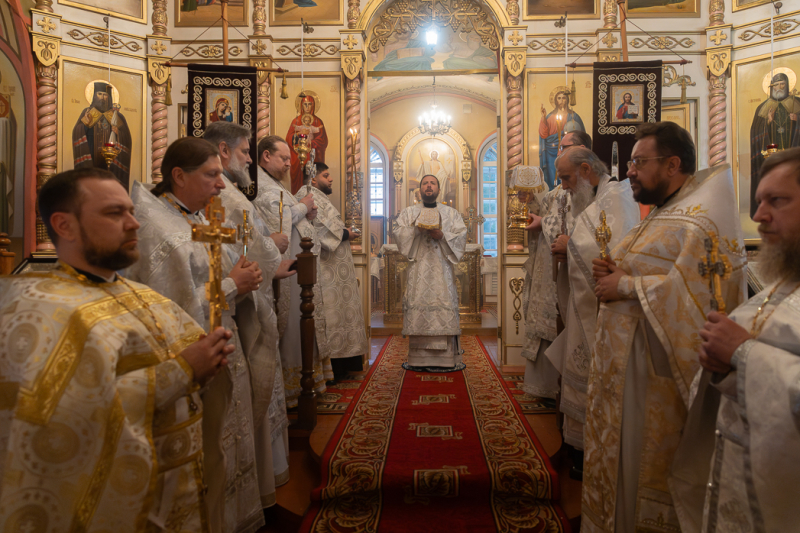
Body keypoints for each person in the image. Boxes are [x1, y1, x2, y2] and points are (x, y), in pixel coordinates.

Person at [0, 168, 234, 531]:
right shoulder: (37, 311)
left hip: (176, 496)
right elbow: (66, 421)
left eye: (131, 211)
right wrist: (183, 371)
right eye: (114, 213)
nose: (134, 223)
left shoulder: (144, 296)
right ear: (64, 225)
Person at [585, 122, 747, 532]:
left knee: (639, 466)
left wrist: (624, 284)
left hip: (653, 375)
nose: (630, 172)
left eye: (639, 162)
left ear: (672, 164)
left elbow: (700, 298)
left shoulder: (698, 221)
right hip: (627, 370)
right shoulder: (664, 211)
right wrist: (616, 271)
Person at [125, 137, 267, 533]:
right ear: (179, 175)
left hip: (221, 342)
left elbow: (211, 275)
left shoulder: (195, 216)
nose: (221, 183)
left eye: (221, 174)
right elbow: (171, 311)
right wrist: (233, 284)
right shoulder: (160, 231)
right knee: (202, 456)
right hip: (190, 362)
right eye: (211, 174)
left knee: (220, 448)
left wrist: (241, 277)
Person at [670, 146, 800, 532]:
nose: (758, 216)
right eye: (759, 201)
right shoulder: (779, 287)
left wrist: (742, 353)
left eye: (777, 201)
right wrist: (724, 368)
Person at [203, 121, 297, 510]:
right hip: (232, 310)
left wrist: (268, 254)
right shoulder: (230, 197)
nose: (248, 160)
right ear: (224, 151)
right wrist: (272, 248)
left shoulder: (230, 194)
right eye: (245, 152)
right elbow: (250, 251)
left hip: (233, 300)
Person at [543, 147, 639, 475]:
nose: (564, 186)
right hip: (583, 305)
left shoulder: (617, 198)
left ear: (586, 170)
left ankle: (591, 451)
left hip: (603, 309)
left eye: (567, 177)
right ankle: (577, 447)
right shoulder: (593, 198)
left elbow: (616, 253)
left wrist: (568, 246)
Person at [252, 135, 333, 407]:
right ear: (266, 156)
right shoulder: (262, 185)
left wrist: (306, 213)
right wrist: (302, 207)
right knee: (292, 328)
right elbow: (278, 220)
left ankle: (307, 382)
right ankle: (295, 388)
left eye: (289, 159)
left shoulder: (275, 184)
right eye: (284, 158)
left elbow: (289, 214)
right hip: (286, 273)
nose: (289, 164)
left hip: (299, 270)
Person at [520, 133, 590, 402]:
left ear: (581, 149)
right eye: (559, 147)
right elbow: (546, 211)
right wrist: (529, 201)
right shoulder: (558, 190)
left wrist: (543, 222)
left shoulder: (587, 189)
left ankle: (564, 389)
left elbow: (578, 227)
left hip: (568, 267)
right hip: (547, 266)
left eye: (564, 147)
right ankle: (544, 387)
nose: (559, 151)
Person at [296, 161, 369, 380]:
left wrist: (344, 232)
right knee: (331, 317)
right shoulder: (308, 195)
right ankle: (333, 368)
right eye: (326, 175)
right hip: (325, 269)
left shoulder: (319, 197)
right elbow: (322, 230)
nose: (331, 179)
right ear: (313, 177)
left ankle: (343, 365)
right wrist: (347, 234)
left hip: (334, 269)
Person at [393, 174, 467, 371]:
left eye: (432, 183)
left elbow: (461, 236)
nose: (428, 186)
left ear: (438, 190)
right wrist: (416, 230)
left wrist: (443, 235)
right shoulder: (409, 213)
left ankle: (446, 359)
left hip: (442, 271)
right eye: (425, 183)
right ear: (420, 190)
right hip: (419, 271)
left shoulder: (451, 213)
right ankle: (418, 360)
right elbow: (398, 233)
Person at [749, 72, 800, 217]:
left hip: (793, 154)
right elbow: (755, 131)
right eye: (776, 85)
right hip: (772, 154)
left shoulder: (797, 103)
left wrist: (797, 119)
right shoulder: (763, 107)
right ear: (771, 87)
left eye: (782, 84)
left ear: (788, 85)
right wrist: (767, 122)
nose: (779, 87)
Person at [72, 81, 133, 190]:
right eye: (99, 94)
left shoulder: (117, 115)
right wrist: (85, 124)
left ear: (109, 97)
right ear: (94, 96)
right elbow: (77, 132)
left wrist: (118, 133)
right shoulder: (88, 112)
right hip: (92, 155)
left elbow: (126, 138)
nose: (102, 97)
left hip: (112, 160)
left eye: (105, 95)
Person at [539, 90, 586, 189]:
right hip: (551, 152)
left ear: (567, 100)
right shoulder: (549, 117)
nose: (561, 100)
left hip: (568, 151)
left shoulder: (574, 116)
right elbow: (544, 135)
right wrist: (543, 118)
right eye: (559, 98)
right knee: (553, 174)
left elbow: (581, 136)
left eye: (564, 98)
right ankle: (554, 192)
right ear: (555, 101)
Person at [286, 94, 328, 194]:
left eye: (310, 104)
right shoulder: (296, 121)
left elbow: (323, 140)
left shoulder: (318, 121)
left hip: (313, 156)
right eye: (305, 104)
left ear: (313, 106)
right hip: (298, 156)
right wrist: (299, 134)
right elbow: (288, 138)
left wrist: (311, 143)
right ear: (301, 105)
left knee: (313, 179)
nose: (307, 107)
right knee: (299, 180)